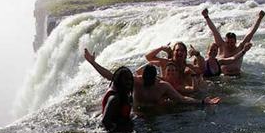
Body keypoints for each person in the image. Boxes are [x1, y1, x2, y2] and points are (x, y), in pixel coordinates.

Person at [84, 48, 220, 112]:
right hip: (136, 113)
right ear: (141, 77)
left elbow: (182, 99)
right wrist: (93, 63)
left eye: (149, 79)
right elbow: (111, 76)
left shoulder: (163, 86)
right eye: (144, 78)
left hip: (155, 114)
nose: (146, 81)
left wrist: (202, 102)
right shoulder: (136, 81)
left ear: (155, 78)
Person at [202, 8, 265, 76]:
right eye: (228, 42)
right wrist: (206, 17)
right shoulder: (222, 45)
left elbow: (251, 33)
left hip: (237, 77)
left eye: (232, 42)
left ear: (235, 42)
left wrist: (259, 18)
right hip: (223, 77)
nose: (229, 44)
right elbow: (214, 30)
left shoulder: (240, 47)